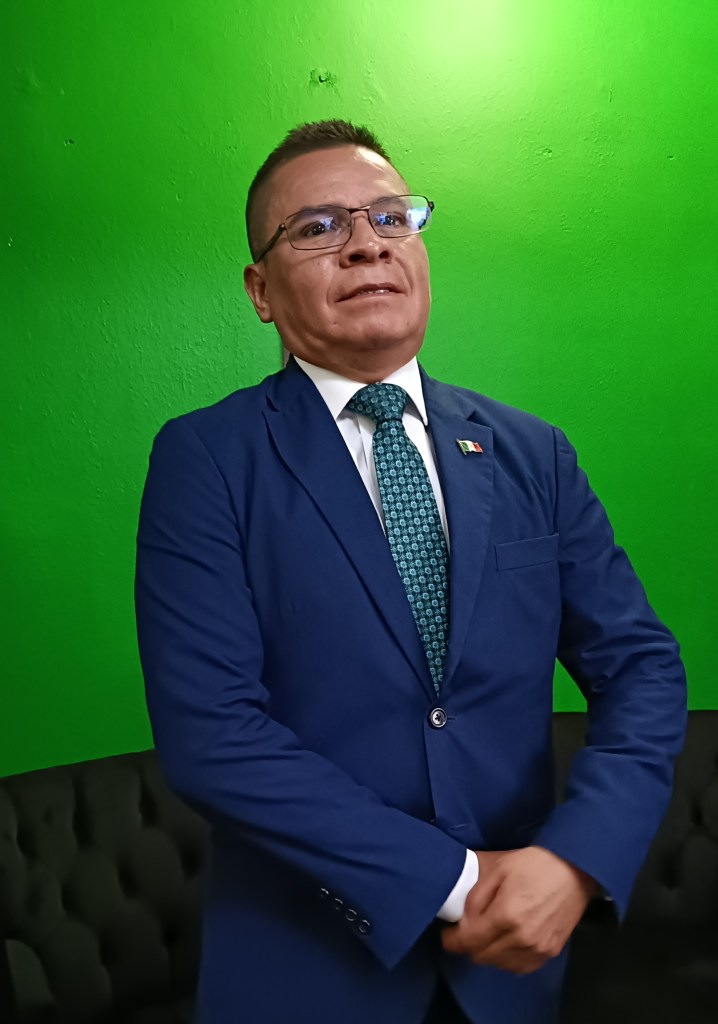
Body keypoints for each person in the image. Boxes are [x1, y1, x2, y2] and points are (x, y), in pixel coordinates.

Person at [134, 120, 687, 1024]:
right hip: (307, 977)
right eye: (318, 227)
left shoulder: (535, 454)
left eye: (391, 217)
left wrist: (576, 859)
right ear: (260, 291)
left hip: (512, 978)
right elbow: (212, 734)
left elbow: (642, 669)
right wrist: (457, 882)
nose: (366, 245)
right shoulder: (206, 460)